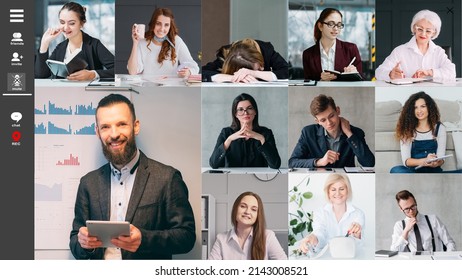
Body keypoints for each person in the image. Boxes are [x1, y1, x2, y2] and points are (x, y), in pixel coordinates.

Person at [69, 93, 195, 259]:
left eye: (121, 124)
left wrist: (144, 239)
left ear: (135, 126)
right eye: (105, 127)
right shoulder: (88, 183)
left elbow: (186, 238)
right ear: (97, 132)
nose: (114, 134)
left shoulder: (167, 178)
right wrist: (84, 244)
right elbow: (75, 241)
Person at [289, 94, 374, 168]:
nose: (329, 123)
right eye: (323, 120)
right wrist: (319, 162)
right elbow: (292, 162)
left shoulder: (355, 133)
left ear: (338, 111)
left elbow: (369, 163)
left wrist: (349, 134)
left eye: (331, 116)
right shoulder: (308, 133)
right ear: (317, 121)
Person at [35, 2, 114, 80]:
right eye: (62, 22)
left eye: (71, 23)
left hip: (87, 92)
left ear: (82, 24)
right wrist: (44, 43)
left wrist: (92, 74)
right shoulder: (60, 48)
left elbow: (118, 69)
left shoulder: (94, 44)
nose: (66, 28)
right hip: (62, 92)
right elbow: (41, 75)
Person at [375, 10, 456, 81]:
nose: (423, 34)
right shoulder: (400, 51)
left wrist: (430, 72)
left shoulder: (438, 52)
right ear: (414, 28)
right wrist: (390, 74)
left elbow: (452, 72)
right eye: (420, 29)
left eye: (428, 31)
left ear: (434, 33)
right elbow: (378, 72)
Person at [209, 93, 281, 169]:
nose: (245, 113)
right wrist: (229, 139)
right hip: (232, 178)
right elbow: (214, 164)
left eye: (249, 108)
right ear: (235, 114)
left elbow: (275, 165)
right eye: (240, 110)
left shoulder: (266, 133)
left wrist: (261, 139)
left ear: (255, 111)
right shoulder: (226, 133)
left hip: (259, 178)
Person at [208, 191, 287, 260]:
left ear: (258, 215)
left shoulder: (267, 236)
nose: (247, 211)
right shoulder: (221, 238)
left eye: (253, 209)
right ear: (235, 209)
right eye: (243, 206)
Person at [299, 174, 364, 254]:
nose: (337, 193)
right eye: (333, 189)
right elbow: (319, 232)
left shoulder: (358, 214)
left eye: (342, 189)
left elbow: (358, 245)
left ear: (348, 190)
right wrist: (313, 237)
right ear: (328, 192)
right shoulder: (320, 213)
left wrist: (357, 235)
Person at [127, 7, 199, 77]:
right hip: (148, 87)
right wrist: (135, 43)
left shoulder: (176, 41)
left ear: (170, 26)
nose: (162, 29)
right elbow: (132, 72)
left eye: (166, 25)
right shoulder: (142, 41)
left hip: (170, 88)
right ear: (153, 23)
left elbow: (193, 66)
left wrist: (189, 72)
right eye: (158, 23)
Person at [390, 92, 448, 173]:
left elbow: (441, 158)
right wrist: (424, 161)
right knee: (395, 170)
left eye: (423, 106)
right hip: (414, 173)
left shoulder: (439, 128)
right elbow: (406, 161)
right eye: (415, 108)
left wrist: (436, 163)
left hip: (434, 172)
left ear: (429, 108)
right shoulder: (407, 129)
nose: (419, 111)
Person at [303, 8, 363, 81]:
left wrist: (355, 74)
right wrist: (321, 80)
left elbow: (362, 81)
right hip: (319, 92)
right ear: (320, 26)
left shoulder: (351, 49)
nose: (336, 28)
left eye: (339, 24)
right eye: (331, 24)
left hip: (344, 92)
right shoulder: (308, 54)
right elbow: (308, 85)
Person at [391, 190, 456, 252]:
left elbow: (450, 243)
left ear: (416, 202)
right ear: (401, 209)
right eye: (407, 209)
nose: (411, 211)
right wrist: (406, 231)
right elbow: (394, 251)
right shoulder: (399, 226)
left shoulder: (433, 219)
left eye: (413, 206)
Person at [202, 38, 289, 82]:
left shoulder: (266, 50)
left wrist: (254, 73)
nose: (262, 69)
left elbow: (286, 71)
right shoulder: (226, 55)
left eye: (261, 65)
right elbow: (202, 72)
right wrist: (234, 78)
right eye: (258, 69)